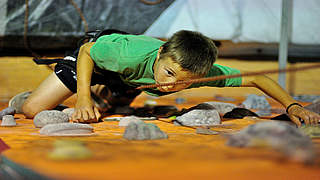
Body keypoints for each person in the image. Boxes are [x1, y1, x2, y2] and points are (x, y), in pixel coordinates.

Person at [16, 30, 319, 126]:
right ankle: (90, 90)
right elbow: (87, 51)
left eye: (183, 82)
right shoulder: (127, 54)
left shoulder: (201, 74)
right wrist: (82, 97)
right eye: (169, 72)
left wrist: (293, 106)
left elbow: (259, 79)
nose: (170, 85)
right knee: (32, 111)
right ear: (161, 53)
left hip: (126, 79)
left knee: (106, 112)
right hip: (95, 57)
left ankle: (107, 93)